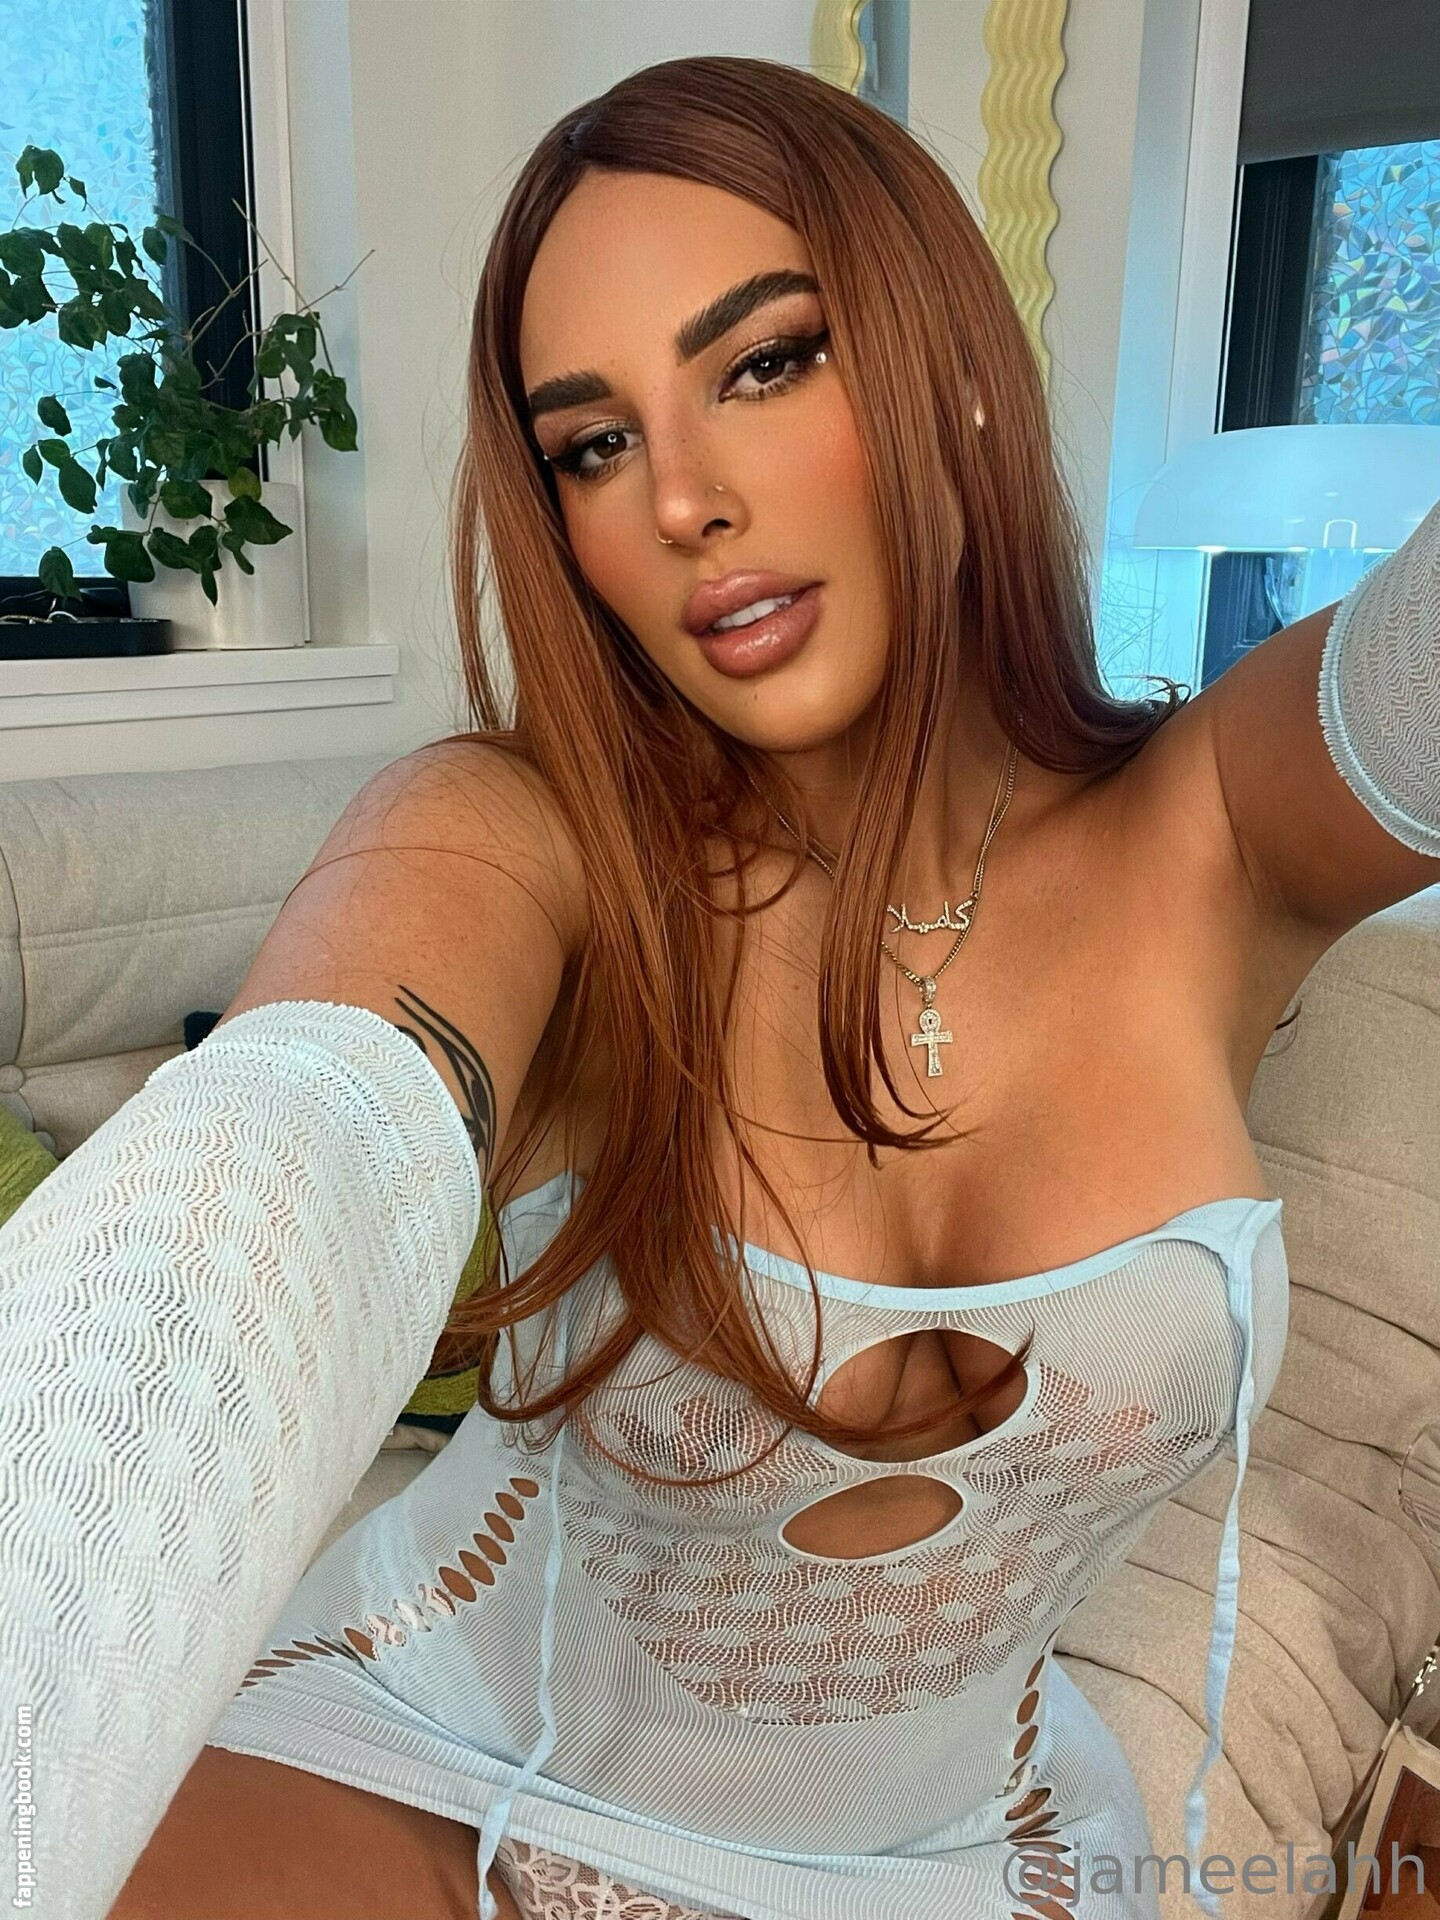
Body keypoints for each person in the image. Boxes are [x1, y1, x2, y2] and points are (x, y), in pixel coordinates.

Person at [0, 52, 1434, 1920]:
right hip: (446, 1770)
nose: (680, 497)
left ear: (951, 373)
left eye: (763, 362)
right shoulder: (525, 836)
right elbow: (279, 1170)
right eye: (593, 445)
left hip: (980, 1852)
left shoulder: (1223, 824)